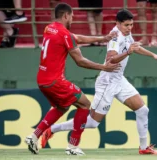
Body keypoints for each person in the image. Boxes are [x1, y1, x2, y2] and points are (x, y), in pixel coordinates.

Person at [40, 9, 157, 155]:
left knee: (142, 110)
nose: (130, 28)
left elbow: (134, 47)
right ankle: (52, 129)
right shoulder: (115, 38)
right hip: (107, 81)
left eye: (132, 25)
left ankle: (144, 148)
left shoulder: (127, 32)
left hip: (119, 79)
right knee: (93, 123)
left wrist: (153, 55)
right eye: (127, 25)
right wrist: (128, 52)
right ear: (118, 24)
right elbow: (110, 60)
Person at [24, 2, 120, 155]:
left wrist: (104, 38)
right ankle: (72, 146)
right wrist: (104, 67)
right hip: (55, 81)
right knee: (84, 104)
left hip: (42, 80)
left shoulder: (49, 28)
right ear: (66, 15)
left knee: (61, 107)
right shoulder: (64, 34)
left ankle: (34, 136)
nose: (73, 20)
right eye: (72, 17)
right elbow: (80, 61)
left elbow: (77, 38)